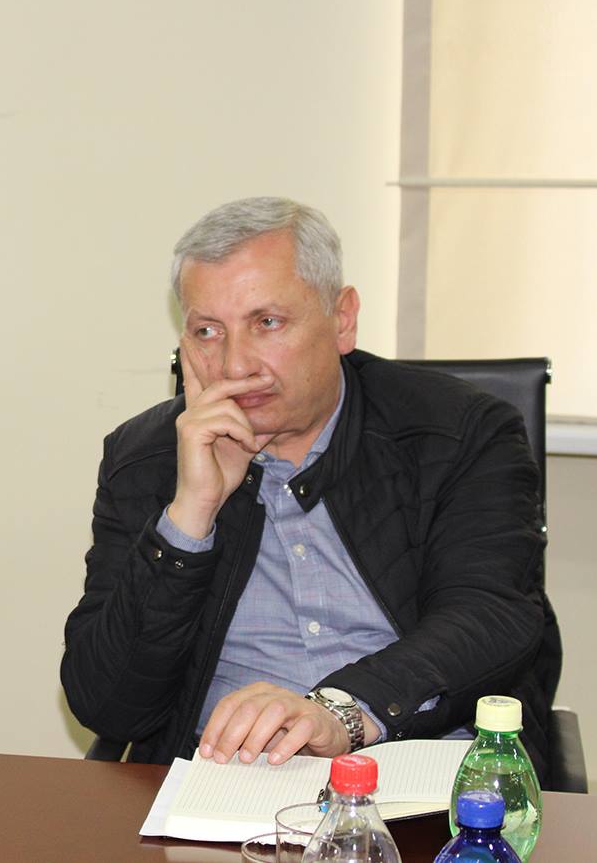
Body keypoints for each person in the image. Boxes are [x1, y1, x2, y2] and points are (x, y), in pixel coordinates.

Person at [60, 197, 561, 777]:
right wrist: (191, 513)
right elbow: (107, 704)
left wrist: (342, 711)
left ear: (342, 319)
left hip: (423, 767)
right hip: (227, 780)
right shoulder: (144, 459)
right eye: (207, 331)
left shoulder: (460, 432)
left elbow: (490, 616)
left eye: (267, 323)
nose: (236, 365)